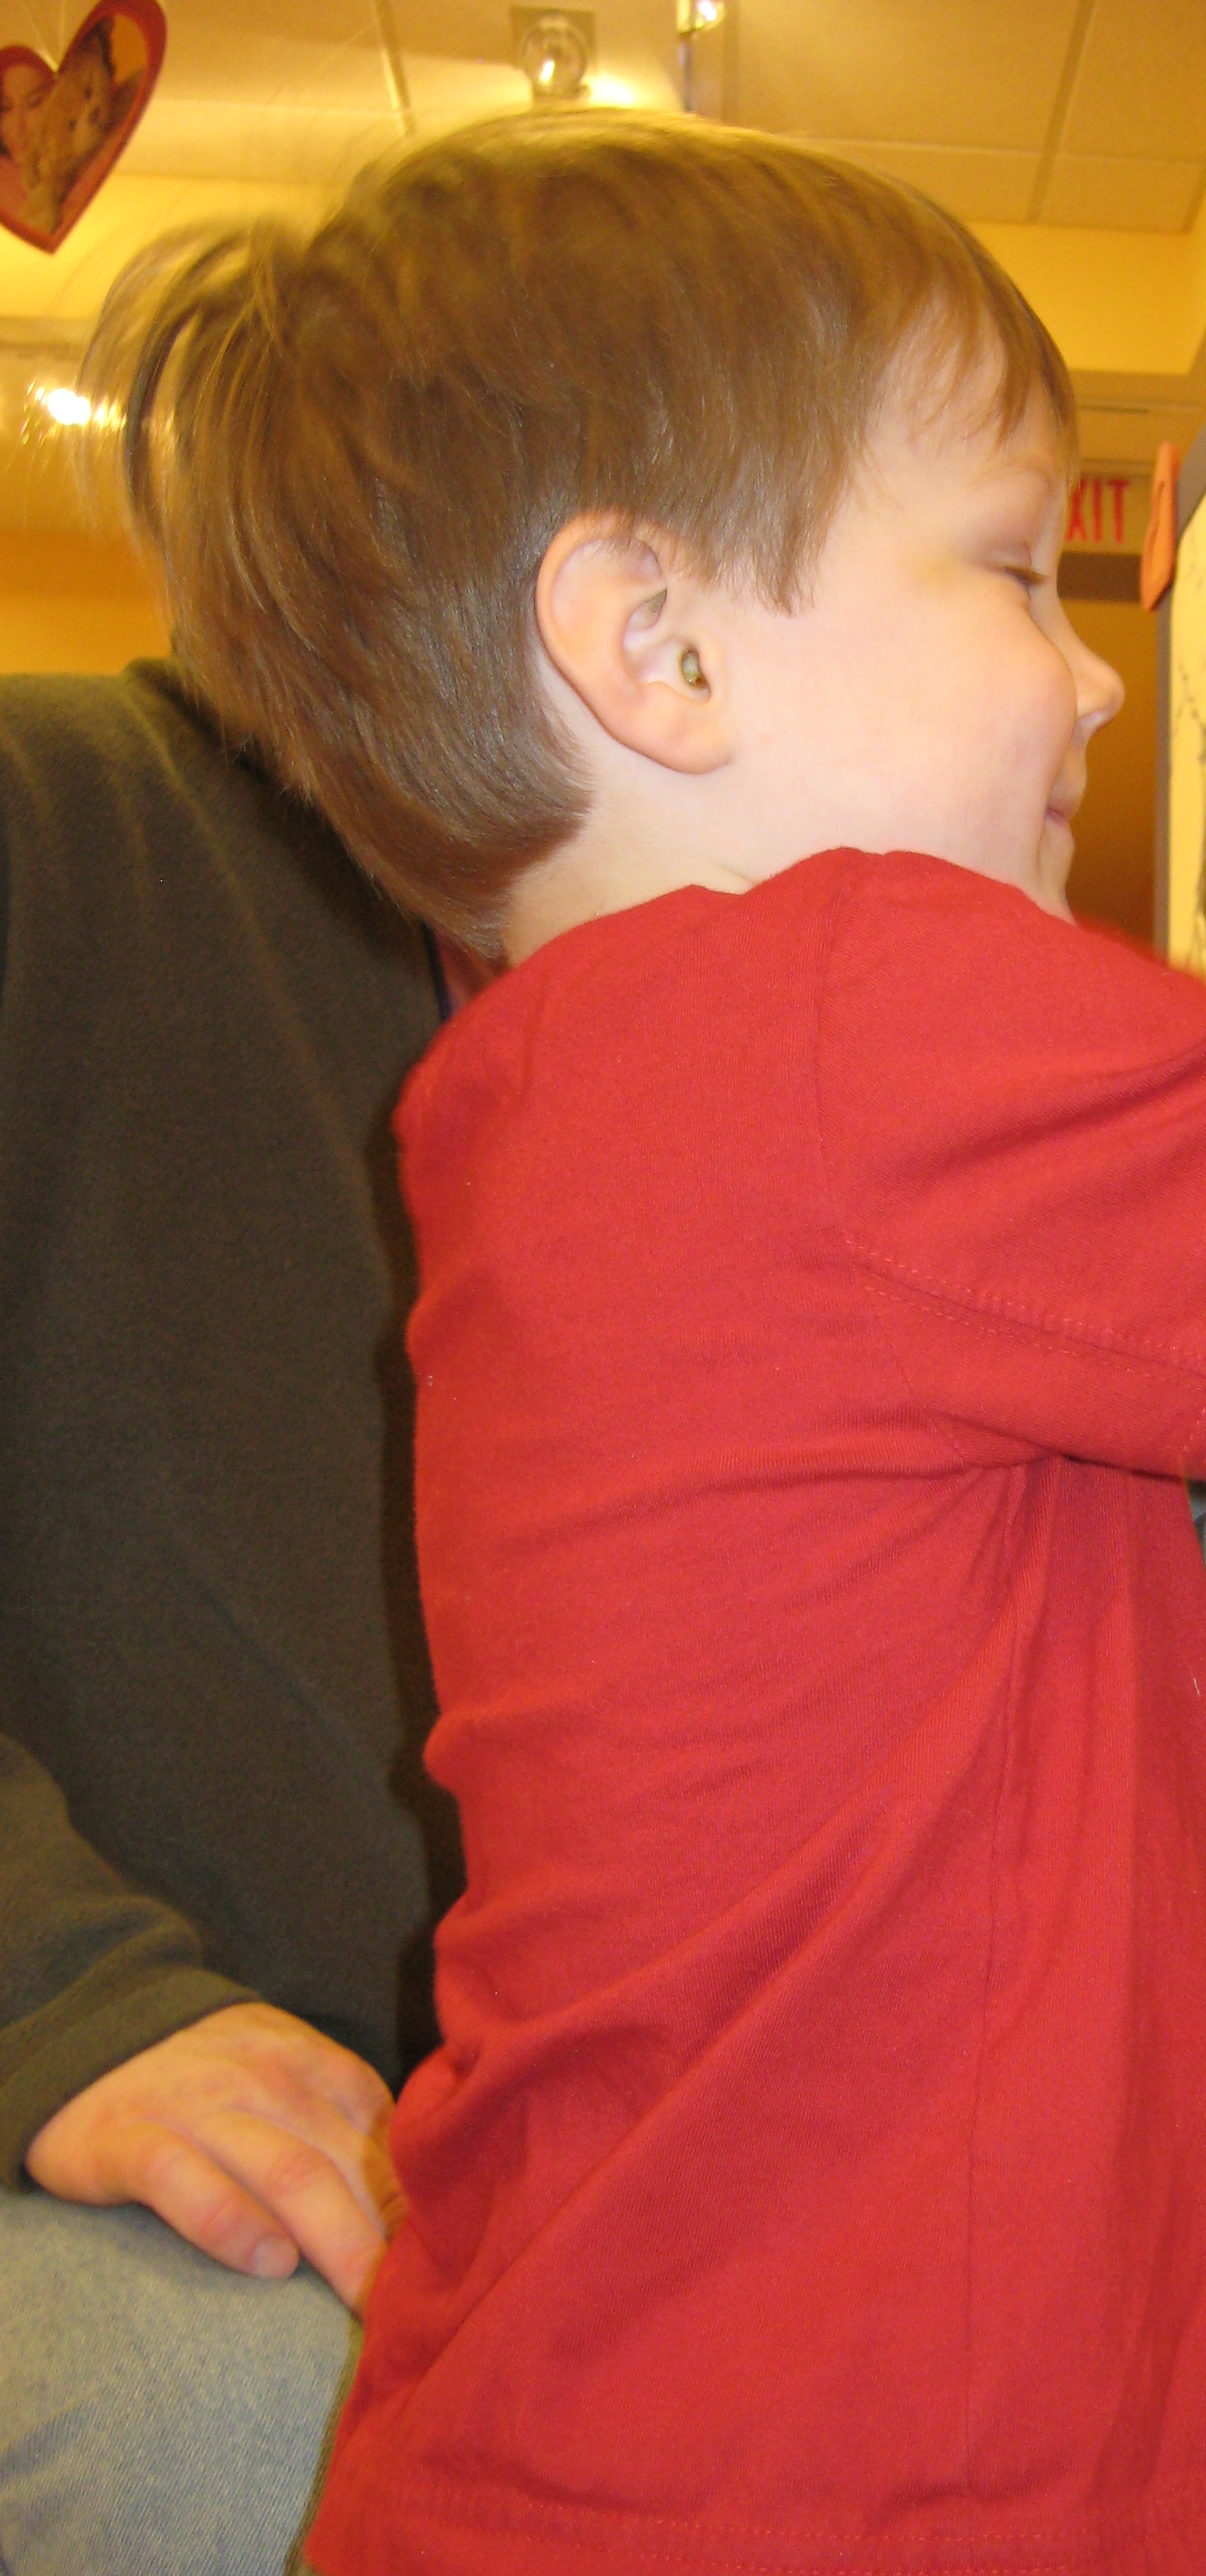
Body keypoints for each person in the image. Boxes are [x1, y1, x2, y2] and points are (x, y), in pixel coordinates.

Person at [82, 114, 1206, 2576]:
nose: (1091, 673)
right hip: (880, 2500)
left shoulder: (595, 1118)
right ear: (653, 642)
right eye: (1005, 561)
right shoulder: (851, 1008)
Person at [0, 661, 455, 2576]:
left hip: (552, 2147)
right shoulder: (50, 817)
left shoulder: (749, 1007)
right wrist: (58, 1997)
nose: (1094, 679)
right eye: (1004, 573)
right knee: (252, 2435)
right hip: (116, 2121)